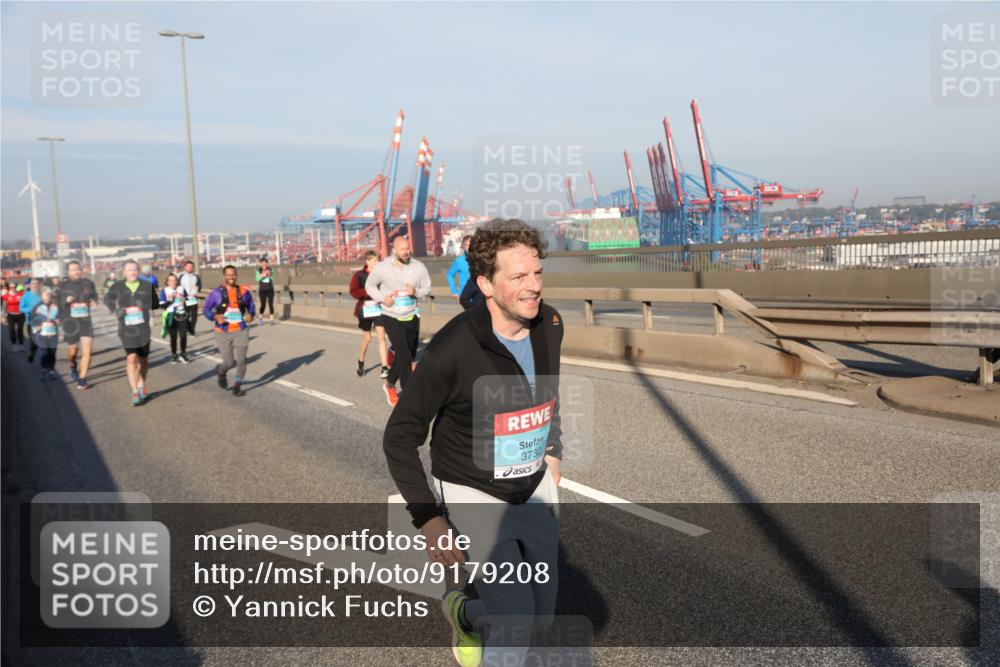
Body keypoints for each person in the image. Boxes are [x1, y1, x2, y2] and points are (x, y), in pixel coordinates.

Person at [383, 219, 563, 667]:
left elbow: (545, 391)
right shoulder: (453, 349)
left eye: (537, 273)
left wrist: (553, 449)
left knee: (541, 617)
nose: (533, 286)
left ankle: (464, 609)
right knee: (518, 620)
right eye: (518, 277)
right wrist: (427, 518)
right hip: (472, 490)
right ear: (484, 283)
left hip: (533, 484)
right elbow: (399, 437)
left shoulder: (550, 324)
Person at [365, 236, 432, 406]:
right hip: (391, 316)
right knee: (404, 355)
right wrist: (382, 298)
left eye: (408, 248)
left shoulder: (418, 267)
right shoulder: (383, 267)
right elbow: (369, 285)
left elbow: (427, 288)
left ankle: (389, 385)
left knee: (408, 356)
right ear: (394, 250)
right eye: (402, 249)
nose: (406, 252)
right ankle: (409, 397)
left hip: (411, 316)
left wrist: (415, 292)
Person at [105, 260, 160, 406]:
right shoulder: (117, 286)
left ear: (139, 271)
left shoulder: (146, 285)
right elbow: (107, 299)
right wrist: (115, 309)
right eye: (129, 270)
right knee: (132, 358)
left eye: (135, 270)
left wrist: (145, 305)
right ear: (124, 272)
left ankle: (142, 385)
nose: (132, 272)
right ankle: (135, 391)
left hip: (143, 327)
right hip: (126, 328)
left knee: (144, 359)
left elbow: (155, 304)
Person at [203, 265, 256, 397]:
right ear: (224, 276)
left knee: (242, 360)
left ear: (236, 275)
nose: (231, 277)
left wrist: (251, 315)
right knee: (229, 362)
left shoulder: (244, 292)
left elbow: (251, 306)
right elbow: (206, 309)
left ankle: (237, 386)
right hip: (222, 331)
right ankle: (221, 372)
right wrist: (215, 316)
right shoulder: (216, 293)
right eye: (228, 275)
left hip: (240, 329)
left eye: (233, 274)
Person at [57, 260, 99, 389]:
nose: (77, 271)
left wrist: (94, 302)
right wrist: (65, 300)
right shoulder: (63, 285)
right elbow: (57, 302)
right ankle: (72, 365)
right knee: (73, 350)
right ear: (68, 272)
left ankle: (82, 379)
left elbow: (94, 297)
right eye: (73, 269)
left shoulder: (88, 283)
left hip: (85, 320)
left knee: (88, 349)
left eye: (78, 268)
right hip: (70, 320)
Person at [349, 250, 390, 377]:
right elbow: (353, 291)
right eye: (375, 260)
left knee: (382, 338)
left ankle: (384, 367)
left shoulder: (382, 274)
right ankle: (360, 361)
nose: (377, 262)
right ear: (368, 261)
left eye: (378, 260)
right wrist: (368, 291)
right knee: (367, 338)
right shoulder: (359, 275)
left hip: (378, 308)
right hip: (365, 309)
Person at [158, 273, 190, 364]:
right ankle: (174, 355)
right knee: (174, 337)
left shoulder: (181, 289)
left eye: (174, 280)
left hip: (182, 315)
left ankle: (183, 354)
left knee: (183, 335)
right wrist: (171, 300)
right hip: (171, 315)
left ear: (177, 281)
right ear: (167, 282)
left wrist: (187, 309)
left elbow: (187, 299)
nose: (173, 282)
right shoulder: (165, 291)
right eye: (171, 281)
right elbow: (162, 306)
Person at [31, 288, 61, 380]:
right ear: (42, 296)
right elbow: (32, 319)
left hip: (53, 334)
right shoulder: (37, 307)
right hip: (42, 334)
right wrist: (37, 328)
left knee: (52, 353)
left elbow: (61, 317)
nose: (47, 297)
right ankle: (43, 370)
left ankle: (51, 371)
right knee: (44, 353)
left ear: (51, 296)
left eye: (49, 295)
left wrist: (59, 321)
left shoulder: (56, 306)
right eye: (45, 295)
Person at [19, 280, 43, 361]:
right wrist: (31, 309)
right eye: (33, 284)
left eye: (36, 284)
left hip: (43, 322)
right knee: (33, 341)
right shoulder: (26, 296)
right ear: (30, 285)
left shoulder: (43, 294)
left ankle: (44, 360)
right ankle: (32, 353)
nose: (35, 285)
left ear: (39, 285)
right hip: (31, 321)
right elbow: (21, 308)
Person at [446, 235, 473, 301]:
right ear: (463, 247)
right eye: (467, 245)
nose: (469, 247)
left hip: (482, 297)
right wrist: (454, 292)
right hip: (466, 298)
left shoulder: (481, 259)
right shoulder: (459, 261)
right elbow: (449, 275)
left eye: (471, 244)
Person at [179, 261, 202, 335]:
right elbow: (178, 287)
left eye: (191, 267)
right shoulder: (181, 276)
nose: (190, 268)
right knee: (185, 315)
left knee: (194, 316)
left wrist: (196, 291)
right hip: (184, 299)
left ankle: (192, 330)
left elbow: (199, 285)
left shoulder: (196, 276)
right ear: (185, 267)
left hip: (193, 298)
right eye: (188, 266)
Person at [2, 283, 26, 351]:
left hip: (20, 314)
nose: (12, 288)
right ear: (9, 288)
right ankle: (14, 345)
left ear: (16, 287)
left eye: (14, 287)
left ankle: (21, 345)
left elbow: (25, 303)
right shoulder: (6, 296)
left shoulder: (21, 295)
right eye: (11, 287)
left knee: (20, 330)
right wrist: (3, 316)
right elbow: (4, 306)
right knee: (11, 330)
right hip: (11, 315)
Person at [255, 258, 276, 325]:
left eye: (265, 263)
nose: (264, 264)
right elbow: (257, 279)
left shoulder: (271, 270)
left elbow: (273, 278)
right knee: (263, 305)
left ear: (267, 264)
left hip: (270, 289)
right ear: (261, 264)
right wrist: (263, 274)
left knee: (271, 304)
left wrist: (269, 274)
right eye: (263, 263)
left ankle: (271, 320)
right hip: (262, 290)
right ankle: (260, 318)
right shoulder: (258, 271)